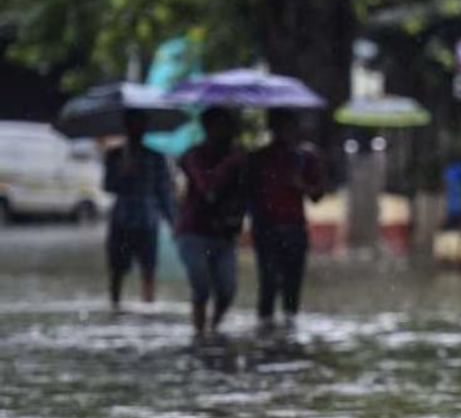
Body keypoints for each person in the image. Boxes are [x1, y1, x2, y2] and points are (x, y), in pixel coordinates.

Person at [247, 109, 325, 332]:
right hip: (266, 229)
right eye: (281, 127)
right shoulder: (258, 158)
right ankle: (265, 330)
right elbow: (249, 193)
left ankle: (289, 331)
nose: (286, 133)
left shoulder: (305, 158)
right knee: (268, 284)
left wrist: (301, 185)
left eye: (290, 127)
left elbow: (318, 195)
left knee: (292, 285)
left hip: (294, 229)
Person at [176, 107, 248, 338]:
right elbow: (208, 189)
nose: (227, 131)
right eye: (221, 125)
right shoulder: (193, 156)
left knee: (227, 290)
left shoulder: (240, 158)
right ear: (208, 128)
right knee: (202, 287)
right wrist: (230, 164)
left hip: (224, 234)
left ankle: (213, 329)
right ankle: (199, 334)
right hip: (194, 232)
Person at [102, 109, 177, 311]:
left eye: (140, 124)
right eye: (132, 124)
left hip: (147, 221)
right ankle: (115, 307)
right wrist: (122, 173)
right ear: (126, 127)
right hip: (121, 219)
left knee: (149, 269)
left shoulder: (156, 157)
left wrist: (174, 222)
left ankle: (148, 307)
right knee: (117, 269)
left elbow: (164, 192)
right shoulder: (114, 155)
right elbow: (107, 186)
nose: (136, 129)